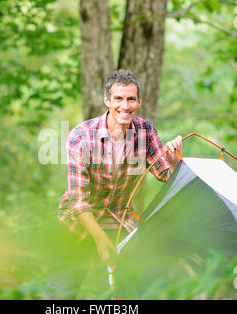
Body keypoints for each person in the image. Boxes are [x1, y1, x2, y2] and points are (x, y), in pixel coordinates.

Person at [56, 69, 182, 298]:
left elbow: (166, 174)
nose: (125, 105)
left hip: (119, 223)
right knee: (61, 294)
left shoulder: (146, 131)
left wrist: (174, 163)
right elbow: (78, 200)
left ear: (139, 101)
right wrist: (100, 239)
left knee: (122, 295)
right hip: (77, 224)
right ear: (107, 100)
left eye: (131, 99)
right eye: (119, 99)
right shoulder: (81, 136)